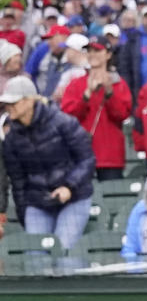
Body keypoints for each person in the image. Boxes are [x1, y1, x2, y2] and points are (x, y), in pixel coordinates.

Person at [1, 75, 95, 250]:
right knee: (35, 256)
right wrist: (24, 215)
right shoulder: (11, 139)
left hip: (74, 198)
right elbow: (18, 182)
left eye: (14, 103)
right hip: (38, 201)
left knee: (64, 252)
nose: (9, 108)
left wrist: (69, 186)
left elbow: (87, 159)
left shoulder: (63, 122)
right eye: (7, 104)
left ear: (30, 101)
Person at [60, 40, 133, 180]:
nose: (93, 55)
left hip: (110, 157)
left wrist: (109, 92)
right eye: (90, 51)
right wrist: (86, 95)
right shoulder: (76, 84)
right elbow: (68, 116)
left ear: (108, 55)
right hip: (81, 155)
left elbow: (122, 114)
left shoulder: (119, 83)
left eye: (97, 51)